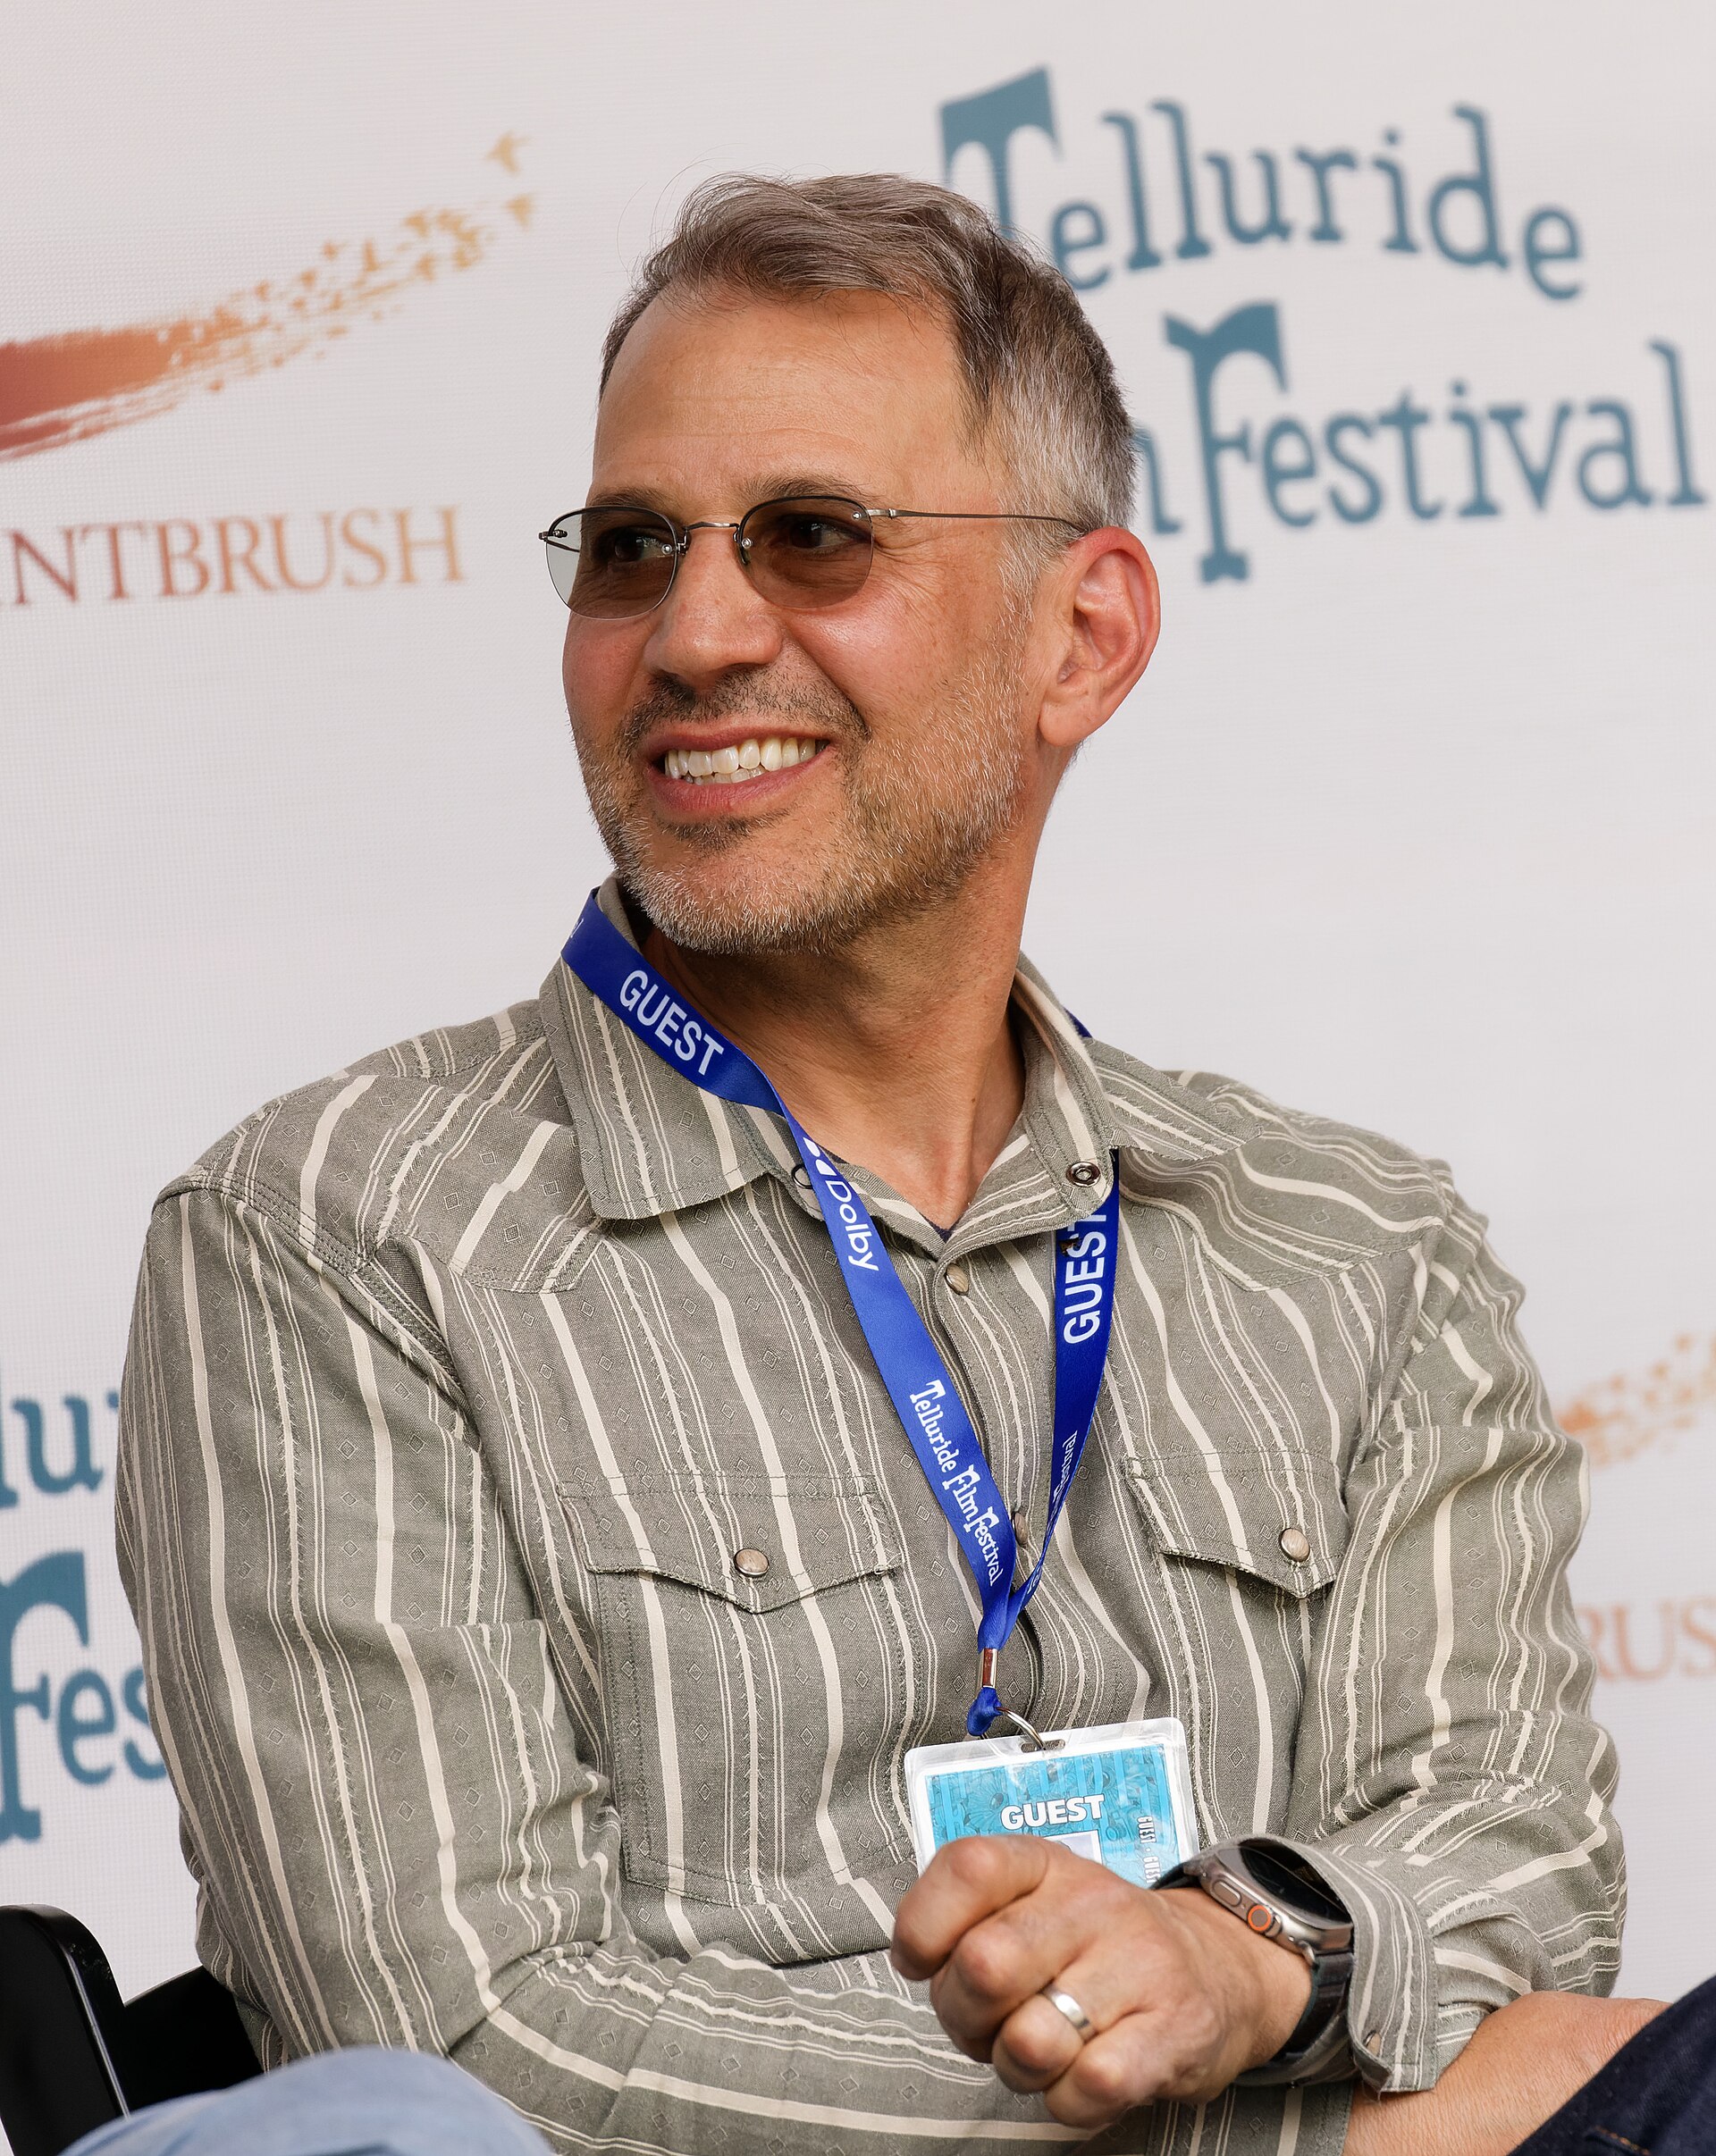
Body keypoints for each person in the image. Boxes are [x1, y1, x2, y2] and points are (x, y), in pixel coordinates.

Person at [115, 172, 1637, 2154]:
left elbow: (1514, 1870)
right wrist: (1338, 2134)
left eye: (813, 537)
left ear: (1082, 635)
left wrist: (1249, 1955)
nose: (694, 632)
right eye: (632, 549)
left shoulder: (1363, 1250)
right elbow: (470, 2043)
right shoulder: (337, 1236)